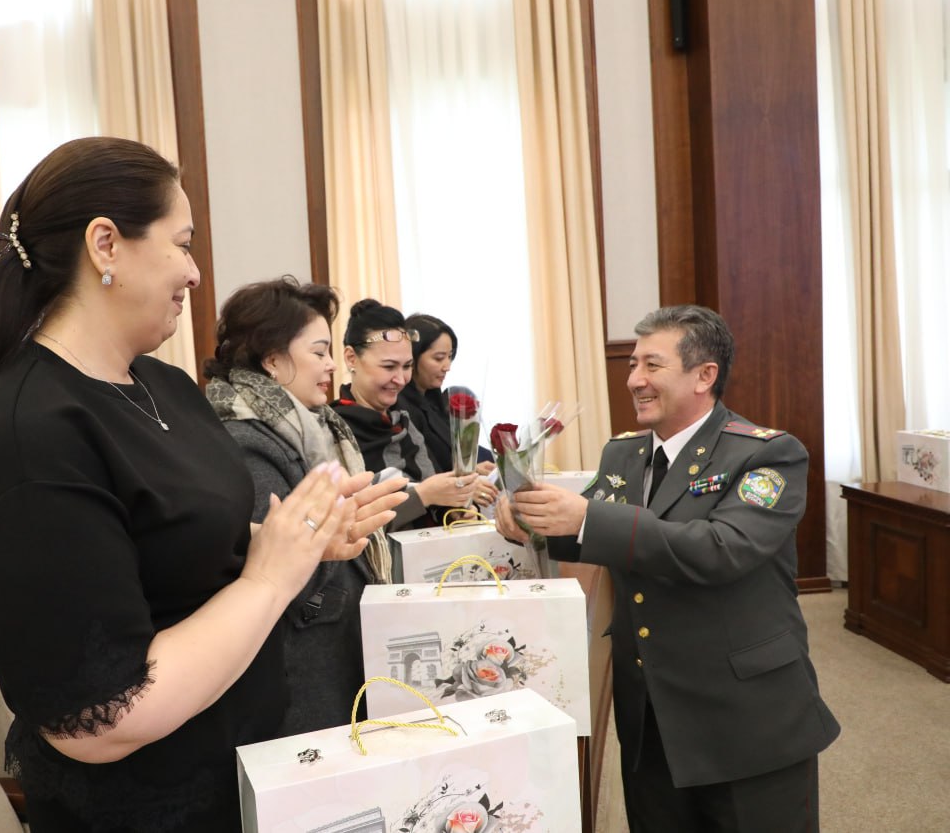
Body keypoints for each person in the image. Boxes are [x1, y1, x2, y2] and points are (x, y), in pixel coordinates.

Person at [0, 137, 405, 832]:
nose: (194, 271)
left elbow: (174, 543)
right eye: (182, 244)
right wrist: (268, 579)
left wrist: (294, 540)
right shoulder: (27, 434)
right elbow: (102, 717)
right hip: (151, 806)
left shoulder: (164, 385)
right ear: (106, 245)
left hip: (247, 763)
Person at [497, 305, 839, 831]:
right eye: (633, 364)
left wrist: (586, 517)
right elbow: (594, 534)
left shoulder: (767, 455)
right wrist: (530, 523)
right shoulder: (623, 454)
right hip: (650, 713)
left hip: (744, 716)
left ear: (705, 375)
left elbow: (723, 548)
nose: (634, 379)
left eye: (652, 365)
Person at [204, 276, 392, 736]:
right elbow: (279, 571)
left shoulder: (318, 426)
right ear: (272, 360)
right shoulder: (245, 442)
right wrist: (338, 525)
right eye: (319, 352)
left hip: (334, 646)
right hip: (300, 666)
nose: (331, 365)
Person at [331, 299, 496, 528]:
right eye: (389, 367)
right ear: (351, 358)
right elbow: (351, 522)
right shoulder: (334, 428)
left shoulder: (403, 420)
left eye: (407, 366)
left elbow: (436, 492)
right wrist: (425, 495)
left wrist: (457, 511)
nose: (401, 379)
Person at [397, 312, 495, 476]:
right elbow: (426, 470)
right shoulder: (402, 406)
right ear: (412, 357)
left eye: (450, 357)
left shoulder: (434, 400)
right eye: (439, 358)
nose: (447, 367)